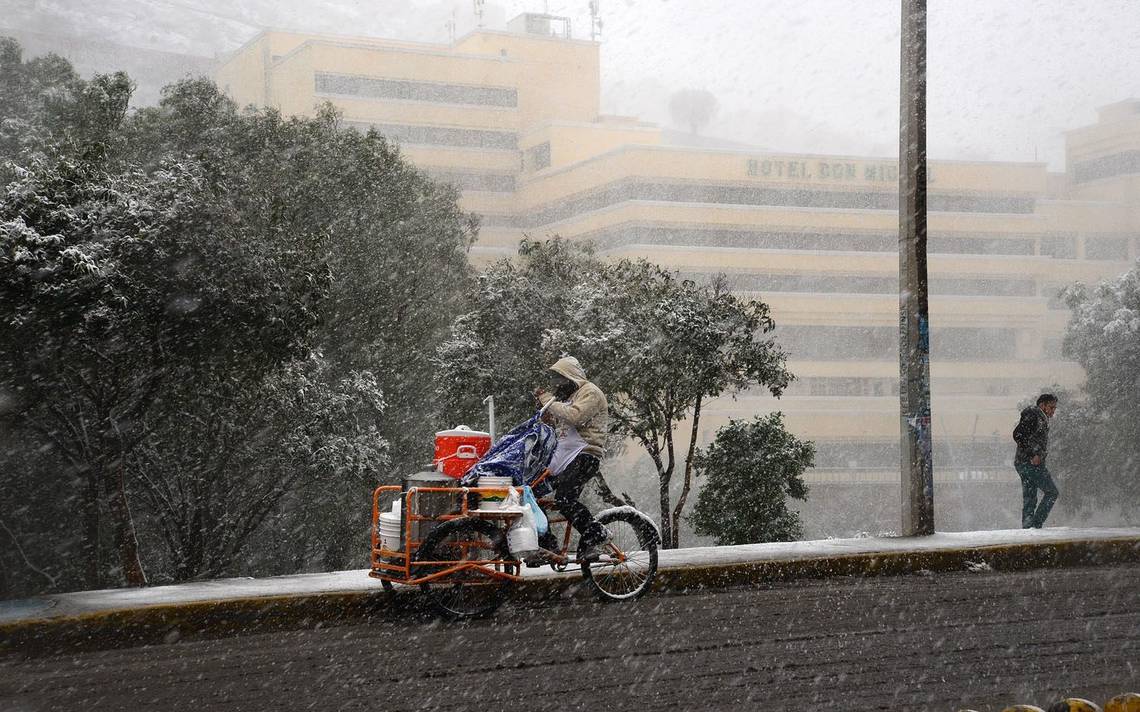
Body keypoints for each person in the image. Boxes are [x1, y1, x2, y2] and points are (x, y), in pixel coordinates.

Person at [534, 356, 612, 561]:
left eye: (560, 380)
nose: (556, 386)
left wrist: (547, 402)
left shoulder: (590, 392)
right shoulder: (566, 397)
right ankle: (547, 545)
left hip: (585, 455)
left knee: (564, 498)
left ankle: (596, 535)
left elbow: (576, 416)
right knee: (530, 493)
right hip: (563, 456)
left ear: (571, 377)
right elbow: (561, 428)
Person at [1012, 393, 1059, 529]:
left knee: (1030, 498)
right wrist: (1033, 454)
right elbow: (1018, 434)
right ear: (1042, 405)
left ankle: (1028, 529)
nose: (1053, 411)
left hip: (1022, 463)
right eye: (1051, 407)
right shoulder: (1035, 416)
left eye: (1055, 408)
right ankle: (1036, 525)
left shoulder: (1038, 417)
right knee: (1051, 492)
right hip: (1030, 464)